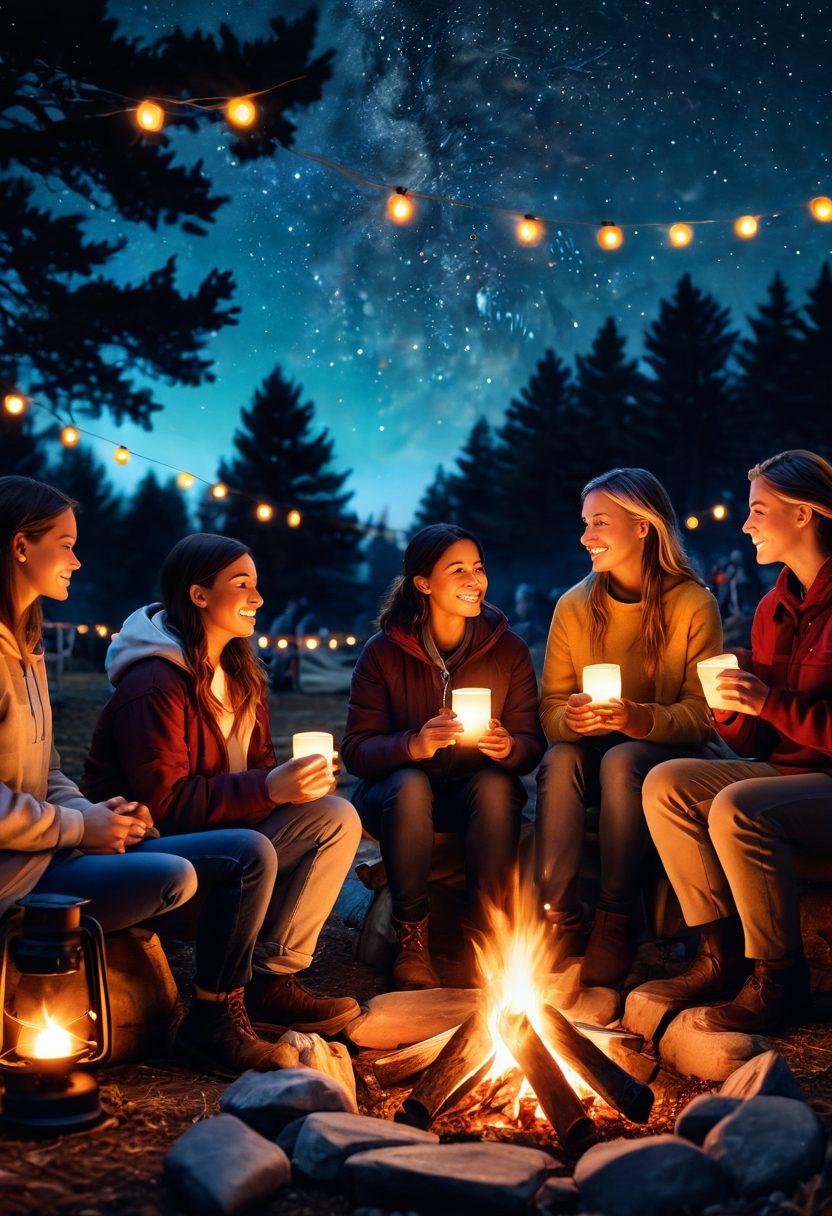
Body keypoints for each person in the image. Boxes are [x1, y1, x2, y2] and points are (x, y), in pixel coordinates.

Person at [0, 476, 291, 1077]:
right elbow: (169, 795)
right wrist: (77, 829)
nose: (77, 560)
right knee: (207, 866)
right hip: (16, 877)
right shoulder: (154, 682)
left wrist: (95, 816)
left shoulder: (24, 650)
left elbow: (46, 768)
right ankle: (212, 1020)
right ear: (20, 546)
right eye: (65, 543)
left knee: (266, 842)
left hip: (48, 852)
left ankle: (247, 994)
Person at [82, 533, 361, 1036]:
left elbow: (261, 770)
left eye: (256, 584)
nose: (257, 598)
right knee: (251, 847)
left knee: (336, 816)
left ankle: (271, 980)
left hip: (225, 835)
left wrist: (295, 785)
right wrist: (270, 790)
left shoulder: (238, 674)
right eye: (241, 584)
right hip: (147, 849)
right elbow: (163, 805)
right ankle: (218, 1002)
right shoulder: (154, 683)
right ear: (199, 595)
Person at [640, 450, 832, 1033]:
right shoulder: (773, 608)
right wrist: (729, 706)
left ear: (803, 515)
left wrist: (769, 702)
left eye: (758, 510)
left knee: (736, 805)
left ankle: (779, 981)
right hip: (790, 776)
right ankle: (719, 957)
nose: (746, 525)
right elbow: (755, 745)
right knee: (666, 782)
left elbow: (787, 719)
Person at [536, 468, 723, 986]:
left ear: (643, 526)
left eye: (599, 522)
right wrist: (570, 719)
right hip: (591, 750)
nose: (585, 535)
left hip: (661, 754)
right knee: (560, 758)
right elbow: (549, 710)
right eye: (584, 522)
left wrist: (639, 718)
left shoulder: (692, 603)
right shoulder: (573, 607)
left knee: (623, 759)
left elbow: (702, 715)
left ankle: (616, 920)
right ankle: (557, 916)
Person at [341, 524, 545, 990]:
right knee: (411, 785)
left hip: (471, 791)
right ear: (423, 583)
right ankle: (413, 939)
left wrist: (509, 747)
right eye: (458, 570)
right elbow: (356, 750)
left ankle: (488, 930)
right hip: (393, 796)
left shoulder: (507, 649)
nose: (475, 579)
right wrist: (412, 745)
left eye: (478, 568)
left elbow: (532, 742)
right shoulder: (383, 653)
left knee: (497, 786)